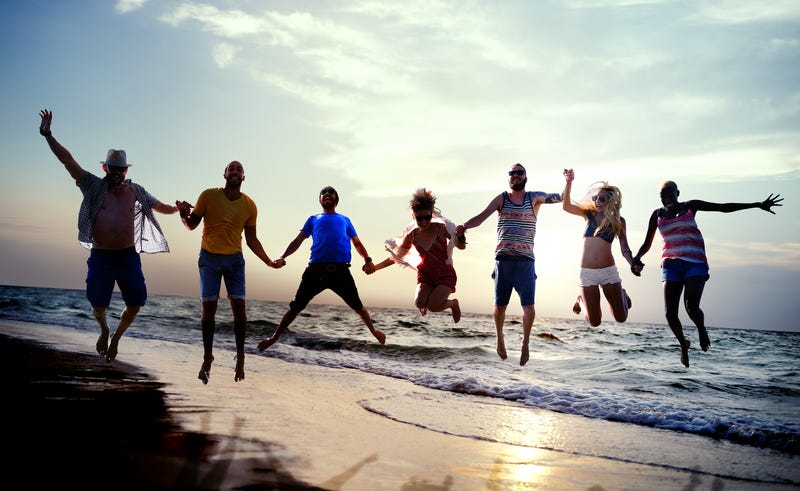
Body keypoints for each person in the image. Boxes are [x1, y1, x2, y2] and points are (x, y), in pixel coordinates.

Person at [38, 109, 179, 362]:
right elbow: (68, 161)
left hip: (127, 256)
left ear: (125, 170)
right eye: (112, 167)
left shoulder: (136, 190)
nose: (116, 172)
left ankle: (117, 337)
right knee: (97, 304)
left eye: (120, 169)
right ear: (105, 167)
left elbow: (162, 207)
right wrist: (48, 135)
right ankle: (104, 330)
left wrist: (179, 208)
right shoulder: (92, 185)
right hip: (101, 255)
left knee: (135, 304)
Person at [631, 181, 783, 367]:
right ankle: (684, 344)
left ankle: (701, 329)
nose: (666, 198)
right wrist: (636, 258)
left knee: (691, 307)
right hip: (670, 265)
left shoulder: (690, 206)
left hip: (695, 263)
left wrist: (757, 204)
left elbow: (723, 208)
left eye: (670, 193)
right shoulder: (657, 215)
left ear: (678, 193)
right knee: (670, 313)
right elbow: (647, 243)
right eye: (662, 195)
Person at [176, 161, 276, 384]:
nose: (235, 171)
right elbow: (191, 225)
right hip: (209, 259)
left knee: (240, 312)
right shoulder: (208, 195)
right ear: (224, 174)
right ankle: (207, 357)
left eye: (239, 169)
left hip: (234, 261)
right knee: (208, 311)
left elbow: (252, 239)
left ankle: (240, 357)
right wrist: (183, 214)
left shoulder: (250, 205)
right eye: (231, 168)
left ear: (244, 177)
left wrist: (269, 261)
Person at [455, 163, 563, 366]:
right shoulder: (502, 199)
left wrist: (569, 182)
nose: (515, 175)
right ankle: (500, 337)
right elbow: (481, 217)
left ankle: (525, 343)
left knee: (529, 308)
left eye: (519, 172)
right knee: (499, 307)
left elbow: (560, 197)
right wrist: (465, 226)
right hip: (503, 261)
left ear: (525, 177)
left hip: (525, 262)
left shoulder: (534, 198)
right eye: (512, 173)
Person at [257, 186, 386, 351]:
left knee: (358, 307)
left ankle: (374, 332)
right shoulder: (313, 219)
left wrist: (368, 260)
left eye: (331, 192)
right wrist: (283, 257)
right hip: (315, 270)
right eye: (323, 193)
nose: (327, 194)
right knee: (296, 307)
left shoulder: (345, 220)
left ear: (336, 199)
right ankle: (274, 337)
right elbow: (298, 240)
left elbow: (357, 243)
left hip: (340, 271)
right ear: (320, 200)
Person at [369, 188, 466, 322]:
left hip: (444, 273)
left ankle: (453, 304)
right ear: (414, 216)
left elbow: (461, 247)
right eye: (420, 218)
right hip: (426, 273)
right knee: (419, 303)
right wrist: (375, 267)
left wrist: (461, 237)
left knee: (433, 306)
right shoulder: (412, 235)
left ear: (431, 214)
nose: (424, 221)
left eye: (427, 217)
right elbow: (397, 257)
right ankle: (426, 300)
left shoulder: (440, 228)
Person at [562, 169, 634, 327]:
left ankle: (622, 293)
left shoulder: (619, 221)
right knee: (595, 322)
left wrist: (633, 264)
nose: (597, 202)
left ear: (610, 201)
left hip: (608, 272)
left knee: (621, 318)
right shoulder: (588, 214)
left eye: (602, 199)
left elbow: (625, 248)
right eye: (595, 198)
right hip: (587, 273)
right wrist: (569, 182)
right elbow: (566, 206)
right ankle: (580, 301)